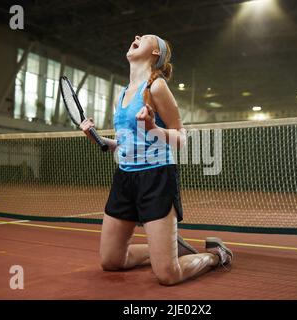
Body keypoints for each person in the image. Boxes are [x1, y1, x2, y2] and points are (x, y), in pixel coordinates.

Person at [80, 34, 232, 285]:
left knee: (168, 275)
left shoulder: (157, 87)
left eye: (146, 37)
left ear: (155, 54)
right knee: (111, 261)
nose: (137, 37)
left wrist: (154, 128)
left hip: (157, 177)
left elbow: (181, 138)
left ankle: (216, 256)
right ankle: (166, 250)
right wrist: (95, 137)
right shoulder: (123, 93)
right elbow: (123, 144)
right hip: (125, 178)